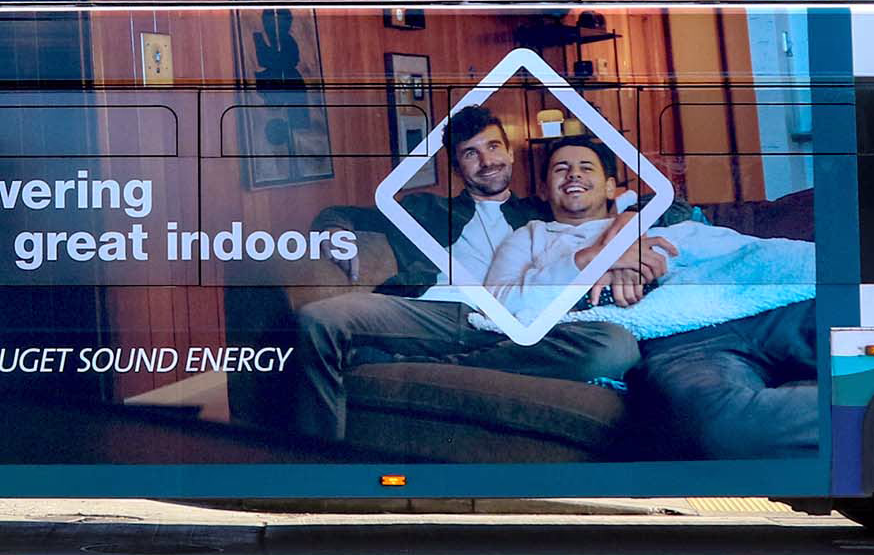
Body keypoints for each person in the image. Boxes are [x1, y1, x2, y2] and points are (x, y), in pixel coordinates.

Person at [289, 107, 640, 442]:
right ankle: (319, 460)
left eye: (493, 147)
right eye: (471, 154)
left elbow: (664, 206)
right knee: (318, 318)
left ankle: (424, 365)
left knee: (612, 346)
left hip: (516, 324)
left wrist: (625, 231)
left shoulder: (542, 210)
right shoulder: (426, 209)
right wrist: (333, 229)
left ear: (510, 153)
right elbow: (341, 213)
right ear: (457, 167)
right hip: (434, 313)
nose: (487, 161)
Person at [484, 136, 818, 459]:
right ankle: (865, 427)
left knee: (857, 328)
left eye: (586, 167)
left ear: (611, 187)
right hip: (678, 340)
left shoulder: (654, 218)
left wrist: (632, 232)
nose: (574, 174)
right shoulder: (529, 237)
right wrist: (597, 258)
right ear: (543, 190)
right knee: (717, 429)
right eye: (560, 169)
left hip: (759, 301)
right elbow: (498, 303)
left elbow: (741, 252)